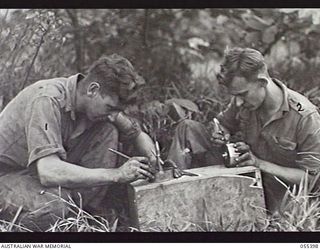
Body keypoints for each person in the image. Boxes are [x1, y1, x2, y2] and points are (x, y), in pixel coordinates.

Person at [0, 54, 156, 231]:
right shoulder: (47, 99)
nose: (114, 115)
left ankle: (85, 212)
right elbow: (48, 171)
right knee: (55, 205)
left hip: (34, 174)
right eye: (111, 108)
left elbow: (135, 133)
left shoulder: (97, 103)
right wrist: (117, 174)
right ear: (92, 90)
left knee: (108, 130)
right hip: (6, 175)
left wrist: (153, 157)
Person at [167, 47, 320, 213]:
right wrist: (220, 132)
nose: (238, 103)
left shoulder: (305, 117)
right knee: (188, 128)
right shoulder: (244, 100)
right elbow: (222, 122)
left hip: (280, 191)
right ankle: (170, 197)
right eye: (235, 96)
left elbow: (311, 178)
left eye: (243, 94)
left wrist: (260, 164)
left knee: (280, 218)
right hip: (244, 174)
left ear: (262, 82)